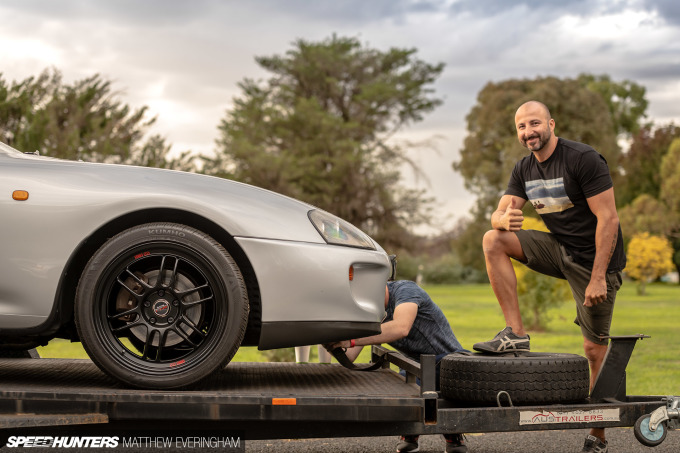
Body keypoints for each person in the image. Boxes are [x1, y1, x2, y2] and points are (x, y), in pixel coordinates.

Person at [474, 100, 625, 453]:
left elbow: (610, 219)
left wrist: (599, 276)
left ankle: (598, 431)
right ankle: (516, 333)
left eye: (535, 123)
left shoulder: (582, 159)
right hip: (559, 249)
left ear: (551, 124)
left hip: (595, 263)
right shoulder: (523, 169)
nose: (529, 132)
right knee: (492, 240)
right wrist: (500, 220)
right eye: (522, 127)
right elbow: (501, 210)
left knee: (593, 348)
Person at [325, 280, 469, 453]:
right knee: (403, 383)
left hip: (448, 361)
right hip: (415, 365)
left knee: (417, 385)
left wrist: (352, 339)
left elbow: (401, 328)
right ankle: (411, 431)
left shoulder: (406, 290)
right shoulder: (371, 311)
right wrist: (328, 342)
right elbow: (349, 356)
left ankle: (452, 431)